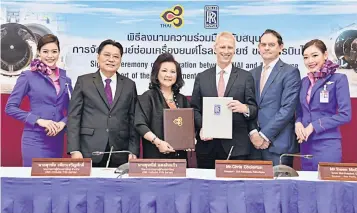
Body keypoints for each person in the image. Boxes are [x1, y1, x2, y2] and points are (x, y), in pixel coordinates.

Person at [67, 39, 139, 168]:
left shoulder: (129, 85)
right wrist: (74, 149)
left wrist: (133, 150)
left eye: (116, 56)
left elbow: (133, 118)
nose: (111, 59)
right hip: (89, 149)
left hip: (120, 151)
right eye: (107, 55)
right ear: (98, 57)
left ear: (120, 60)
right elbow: (74, 117)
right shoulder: (84, 81)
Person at [190, 31, 258, 169]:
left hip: (236, 147)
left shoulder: (245, 77)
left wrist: (244, 108)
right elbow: (195, 109)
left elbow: (254, 109)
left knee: (235, 189)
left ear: (234, 50)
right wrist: (203, 127)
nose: (226, 51)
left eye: (230, 47)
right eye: (222, 47)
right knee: (206, 189)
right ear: (214, 48)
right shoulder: (201, 77)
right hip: (207, 145)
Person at [5, 34, 72, 166]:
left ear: (59, 52)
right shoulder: (28, 76)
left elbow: (73, 110)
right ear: (39, 53)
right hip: (35, 140)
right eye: (45, 51)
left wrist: (63, 123)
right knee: (34, 183)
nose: (50, 56)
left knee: (52, 183)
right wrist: (39, 120)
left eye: (54, 51)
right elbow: (10, 108)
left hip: (56, 140)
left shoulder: (66, 79)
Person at [295, 39, 352, 171]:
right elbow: (300, 112)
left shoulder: (338, 79)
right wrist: (298, 123)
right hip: (305, 144)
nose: (310, 61)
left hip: (327, 144)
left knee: (327, 189)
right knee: (308, 187)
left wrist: (314, 126)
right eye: (306, 57)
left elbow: (345, 115)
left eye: (315, 55)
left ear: (325, 55)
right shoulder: (304, 82)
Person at [248, 29, 301, 167]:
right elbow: (249, 106)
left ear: (280, 47)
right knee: (254, 187)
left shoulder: (290, 72)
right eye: (263, 44)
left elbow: (287, 109)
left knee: (279, 188)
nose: (266, 48)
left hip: (278, 145)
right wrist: (254, 133)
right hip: (253, 145)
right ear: (259, 47)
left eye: (271, 44)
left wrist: (264, 135)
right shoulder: (252, 74)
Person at [135, 53, 190, 160]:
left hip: (180, 159)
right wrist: (158, 142)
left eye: (173, 72)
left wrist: (190, 139)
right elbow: (140, 125)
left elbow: (188, 126)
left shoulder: (182, 100)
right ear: (156, 73)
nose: (168, 75)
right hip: (155, 157)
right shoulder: (148, 97)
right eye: (164, 71)